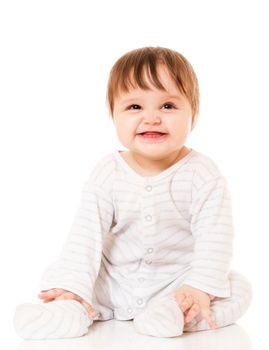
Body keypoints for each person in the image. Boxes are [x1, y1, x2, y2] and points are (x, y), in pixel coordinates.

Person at [14, 46, 252, 340]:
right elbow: (85, 234)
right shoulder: (109, 171)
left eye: (168, 106)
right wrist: (73, 284)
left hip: (176, 283)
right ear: (113, 114)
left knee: (237, 288)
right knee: (61, 270)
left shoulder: (202, 173)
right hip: (114, 282)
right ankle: (69, 312)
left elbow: (215, 239)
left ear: (194, 112)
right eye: (135, 107)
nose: (152, 117)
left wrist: (198, 287)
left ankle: (173, 313)